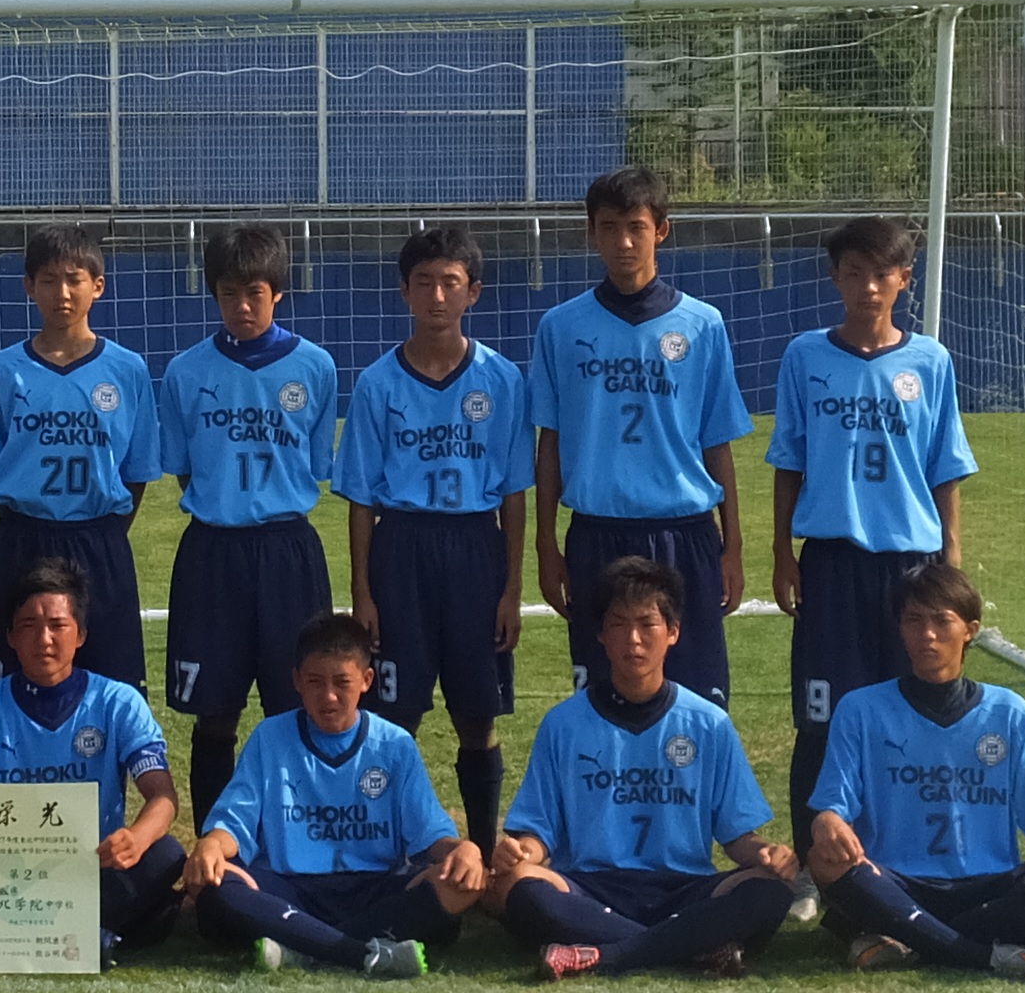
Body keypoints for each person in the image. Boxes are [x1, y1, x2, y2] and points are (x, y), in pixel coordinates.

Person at [771, 217, 977, 867]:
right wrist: (781, 551)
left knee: (910, 716)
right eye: (853, 272)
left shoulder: (930, 361)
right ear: (834, 277)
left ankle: (900, 855)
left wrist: (951, 559)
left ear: (903, 279)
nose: (867, 286)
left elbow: (944, 467)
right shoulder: (805, 356)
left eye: (881, 273)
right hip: (831, 563)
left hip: (909, 568)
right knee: (821, 719)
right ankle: (812, 866)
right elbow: (788, 462)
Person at [808, 564, 1025, 984]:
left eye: (942, 621)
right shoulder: (861, 709)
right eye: (914, 621)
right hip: (897, 884)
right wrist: (827, 822)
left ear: (970, 630)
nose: (927, 635)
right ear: (899, 628)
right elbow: (832, 804)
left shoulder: (1008, 711)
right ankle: (982, 954)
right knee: (823, 861)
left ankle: (902, 938)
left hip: (990, 886)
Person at [488, 556, 797, 979]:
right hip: (592, 886)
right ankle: (695, 946)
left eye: (647, 624)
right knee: (518, 886)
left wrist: (768, 853)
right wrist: (521, 851)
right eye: (619, 624)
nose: (633, 639)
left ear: (673, 632)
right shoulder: (564, 724)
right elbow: (539, 834)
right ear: (600, 635)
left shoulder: (708, 723)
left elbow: (736, 838)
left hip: (684, 887)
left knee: (771, 888)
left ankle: (605, 953)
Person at [335, 224, 532, 852]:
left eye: (451, 283)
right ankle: (392, 850)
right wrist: (363, 592)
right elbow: (362, 499)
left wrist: (511, 588)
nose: (438, 296)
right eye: (425, 283)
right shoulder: (378, 384)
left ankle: (484, 848)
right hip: (403, 550)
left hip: (476, 550)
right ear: (404, 292)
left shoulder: (501, 380)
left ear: (473, 292)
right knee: (395, 715)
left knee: (478, 714)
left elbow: (514, 494)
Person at [529, 165, 754, 706]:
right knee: (602, 700)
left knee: (699, 699)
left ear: (662, 230)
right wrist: (545, 542)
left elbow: (715, 441)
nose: (623, 242)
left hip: (684, 534)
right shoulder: (561, 326)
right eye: (609, 227)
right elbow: (550, 442)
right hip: (597, 535)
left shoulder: (703, 325)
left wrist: (733, 544)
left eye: (636, 226)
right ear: (592, 234)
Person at [0, 560, 184, 971]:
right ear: (11, 637)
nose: (43, 639)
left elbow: (162, 796)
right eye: (28, 625)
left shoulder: (117, 703)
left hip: (88, 874)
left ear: (80, 634)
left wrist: (136, 838)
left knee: (166, 852)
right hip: (1, 882)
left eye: (57, 625)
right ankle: (87, 935)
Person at [158, 223, 339, 826]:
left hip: (288, 551)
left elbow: (315, 467)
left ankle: (296, 839)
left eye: (254, 293)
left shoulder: (315, 367)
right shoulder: (186, 371)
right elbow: (184, 471)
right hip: (213, 552)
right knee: (215, 710)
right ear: (213, 294)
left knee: (297, 702)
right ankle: (214, 844)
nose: (242, 306)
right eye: (229, 293)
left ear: (277, 293)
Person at [186, 614, 483, 976]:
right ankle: (358, 953)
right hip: (289, 889)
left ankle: (298, 946)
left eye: (342, 683)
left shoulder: (394, 744)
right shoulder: (270, 738)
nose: (328, 696)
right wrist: (212, 844)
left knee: (462, 884)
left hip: (374, 888)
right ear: (296, 681)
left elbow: (431, 835)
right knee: (213, 886)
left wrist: (465, 849)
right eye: (314, 682)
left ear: (366, 681)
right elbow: (234, 825)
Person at [0, 224, 159, 692]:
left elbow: (136, 473)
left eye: (75, 279)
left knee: (111, 684)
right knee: (8, 680)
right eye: (49, 280)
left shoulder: (128, 369)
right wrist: (31, 523)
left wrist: (100, 530)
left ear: (98, 285)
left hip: (99, 542)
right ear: (30, 287)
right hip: (23, 539)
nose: (63, 293)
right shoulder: (5, 368)